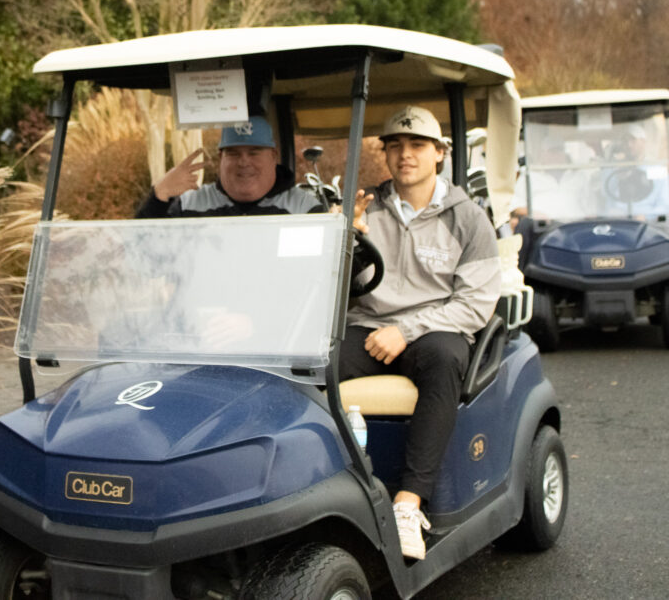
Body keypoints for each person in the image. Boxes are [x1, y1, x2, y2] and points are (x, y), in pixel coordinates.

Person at [340, 105, 501, 560]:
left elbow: (474, 304)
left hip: (437, 328)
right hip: (370, 326)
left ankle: (410, 502)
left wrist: (406, 329)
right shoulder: (364, 208)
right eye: (395, 146)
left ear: (439, 154)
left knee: (446, 360)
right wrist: (346, 241)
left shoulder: (467, 218)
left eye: (416, 146)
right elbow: (338, 292)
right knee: (314, 363)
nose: (404, 155)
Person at [135, 115, 324, 218]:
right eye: (233, 153)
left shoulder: (304, 209)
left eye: (254, 152)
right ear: (220, 158)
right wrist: (159, 196)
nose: (243, 161)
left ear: (273, 156)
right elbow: (146, 265)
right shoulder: (188, 206)